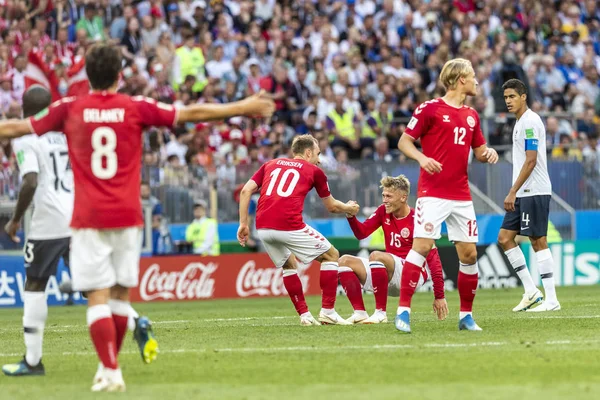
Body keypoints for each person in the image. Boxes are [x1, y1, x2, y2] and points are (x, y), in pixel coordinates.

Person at [0, 43, 275, 392]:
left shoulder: (71, 108)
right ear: (119, 76)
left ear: (87, 76)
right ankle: (110, 367)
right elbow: (190, 113)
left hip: (87, 217)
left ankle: (110, 369)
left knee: (96, 297)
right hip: (128, 217)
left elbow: (14, 129)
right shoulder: (135, 106)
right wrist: (243, 106)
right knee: (118, 298)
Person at [397, 58, 499, 333]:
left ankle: (466, 317)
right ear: (460, 79)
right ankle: (403, 312)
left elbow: (479, 150)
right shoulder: (429, 109)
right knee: (422, 246)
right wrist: (421, 158)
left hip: (461, 195)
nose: (477, 81)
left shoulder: (471, 115)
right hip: (433, 193)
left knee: (468, 255)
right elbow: (404, 141)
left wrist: (488, 153)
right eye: (473, 75)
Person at [237, 134, 359, 326]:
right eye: (318, 154)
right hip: (288, 224)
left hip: (262, 228)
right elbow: (332, 207)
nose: (319, 159)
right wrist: (349, 208)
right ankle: (328, 311)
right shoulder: (314, 171)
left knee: (289, 265)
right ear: (308, 152)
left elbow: (245, 191)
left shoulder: (270, 163)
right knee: (331, 255)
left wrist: (243, 224)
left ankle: (305, 316)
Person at [1, 86, 73, 376]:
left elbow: (30, 181)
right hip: (78, 216)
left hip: (48, 221)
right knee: (92, 287)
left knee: (34, 286)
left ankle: (32, 361)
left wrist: (16, 219)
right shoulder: (67, 137)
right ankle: (134, 321)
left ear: (24, 110)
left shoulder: (26, 138)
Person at [339, 175, 447, 324]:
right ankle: (360, 312)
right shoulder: (383, 211)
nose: (384, 200)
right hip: (388, 271)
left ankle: (380, 313)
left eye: (389, 196)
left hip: (412, 274)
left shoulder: (418, 220)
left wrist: (439, 296)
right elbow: (361, 233)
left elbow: (433, 259)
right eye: (383, 195)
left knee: (376, 256)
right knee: (343, 261)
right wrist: (351, 216)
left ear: (403, 198)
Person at [498, 78, 560, 312]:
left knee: (537, 240)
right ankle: (532, 292)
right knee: (505, 238)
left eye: (512, 96)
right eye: (506, 98)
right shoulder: (520, 122)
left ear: (524, 96)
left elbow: (531, 160)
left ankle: (551, 300)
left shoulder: (531, 121)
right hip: (524, 191)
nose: (508, 101)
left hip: (534, 190)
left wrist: (513, 190)